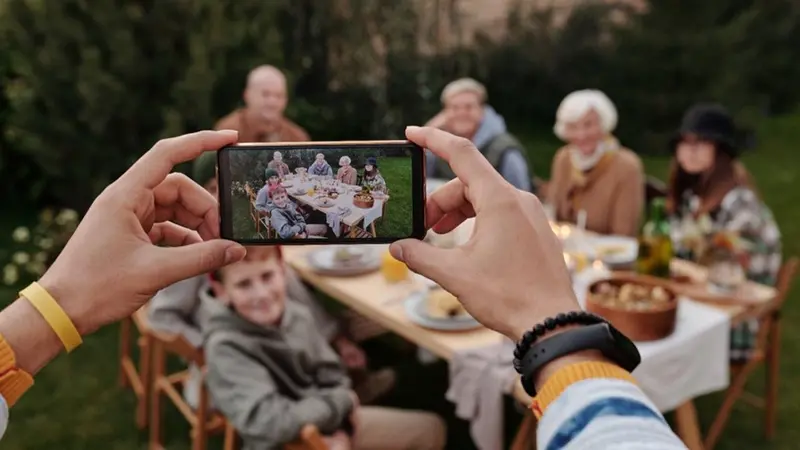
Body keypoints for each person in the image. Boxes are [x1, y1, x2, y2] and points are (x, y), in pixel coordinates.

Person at [0, 128, 685, 449]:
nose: (266, 287)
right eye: (252, 277)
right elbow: (268, 416)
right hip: (322, 418)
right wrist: (555, 324)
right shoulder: (233, 340)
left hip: (326, 387)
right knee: (430, 420)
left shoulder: (285, 287)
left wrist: (52, 310)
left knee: (398, 360)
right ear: (223, 285)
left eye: (271, 272)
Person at [149, 154, 394, 408]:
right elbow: (161, 317)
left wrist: (337, 340)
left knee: (345, 318)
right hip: (238, 357)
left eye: (228, 185)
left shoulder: (249, 235)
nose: (222, 197)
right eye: (212, 189)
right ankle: (339, 403)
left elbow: (295, 293)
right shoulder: (194, 248)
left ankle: (348, 387)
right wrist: (209, 350)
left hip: (276, 334)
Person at [202, 246, 446, 450]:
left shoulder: (297, 316)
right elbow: (269, 423)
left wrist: (342, 428)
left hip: (327, 422)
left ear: (282, 271)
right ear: (222, 292)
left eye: (267, 277)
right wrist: (338, 405)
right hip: (287, 442)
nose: (262, 294)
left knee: (430, 425)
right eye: (244, 284)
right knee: (427, 431)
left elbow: (332, 372)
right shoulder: (225, 347)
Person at [666, 103, 781, 363]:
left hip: (734, 317)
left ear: (721, 151)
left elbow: (732, 279)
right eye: (684, 143)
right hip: (700, 299)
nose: (690, 151)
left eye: (702, 143)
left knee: (652, 330)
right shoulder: (692, 194)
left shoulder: (739, 203)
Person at [545, 89, 644, 236]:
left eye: (589, 125)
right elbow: (553, 214)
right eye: (573, 127)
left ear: (604, 125)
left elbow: (624, 235)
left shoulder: (627, 167)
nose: (581, 135)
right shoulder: (563, 159)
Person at [425, 77, 533, 192]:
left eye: (468, 107)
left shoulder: (505, 151)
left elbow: (522, 196)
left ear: (482, 110)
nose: (461, 113)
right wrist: (431, 129)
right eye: (454, 108)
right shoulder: (436, 149)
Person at [215, 65, 310, 142]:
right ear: (247, 95)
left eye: (279, 95)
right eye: (265, 94)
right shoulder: (227, 132)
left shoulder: (297, 138)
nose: (272, 102)